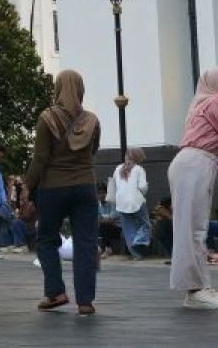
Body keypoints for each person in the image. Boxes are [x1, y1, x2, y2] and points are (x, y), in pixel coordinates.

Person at [24, 70, 100, 316]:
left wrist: (28, 185)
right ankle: (85, 301)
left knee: (46, 240)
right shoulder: (92, 121)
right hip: (85, 187)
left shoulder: (46, 118)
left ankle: (55, 292)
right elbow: (93, 151)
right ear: (80, 88)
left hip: (53, 188)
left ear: (57, 88)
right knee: (86, 243)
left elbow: (40, 158)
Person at [169, 68, 218, 308]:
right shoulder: (213, 102)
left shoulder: (200, 104)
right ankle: (196, 289)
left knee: (193, 229)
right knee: (193, 230)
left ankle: (197, 287)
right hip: (196, 164)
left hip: (194, 164)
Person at [110, 147, 150, 259]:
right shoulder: (138, 169)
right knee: (145, 225)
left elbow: (114, 184)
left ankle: (136, 254)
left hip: (121, 203)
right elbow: (142, 187)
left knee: (128, 229)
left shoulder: (118, 168)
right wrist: (146, 188)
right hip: (136, 202)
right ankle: (139, 242)